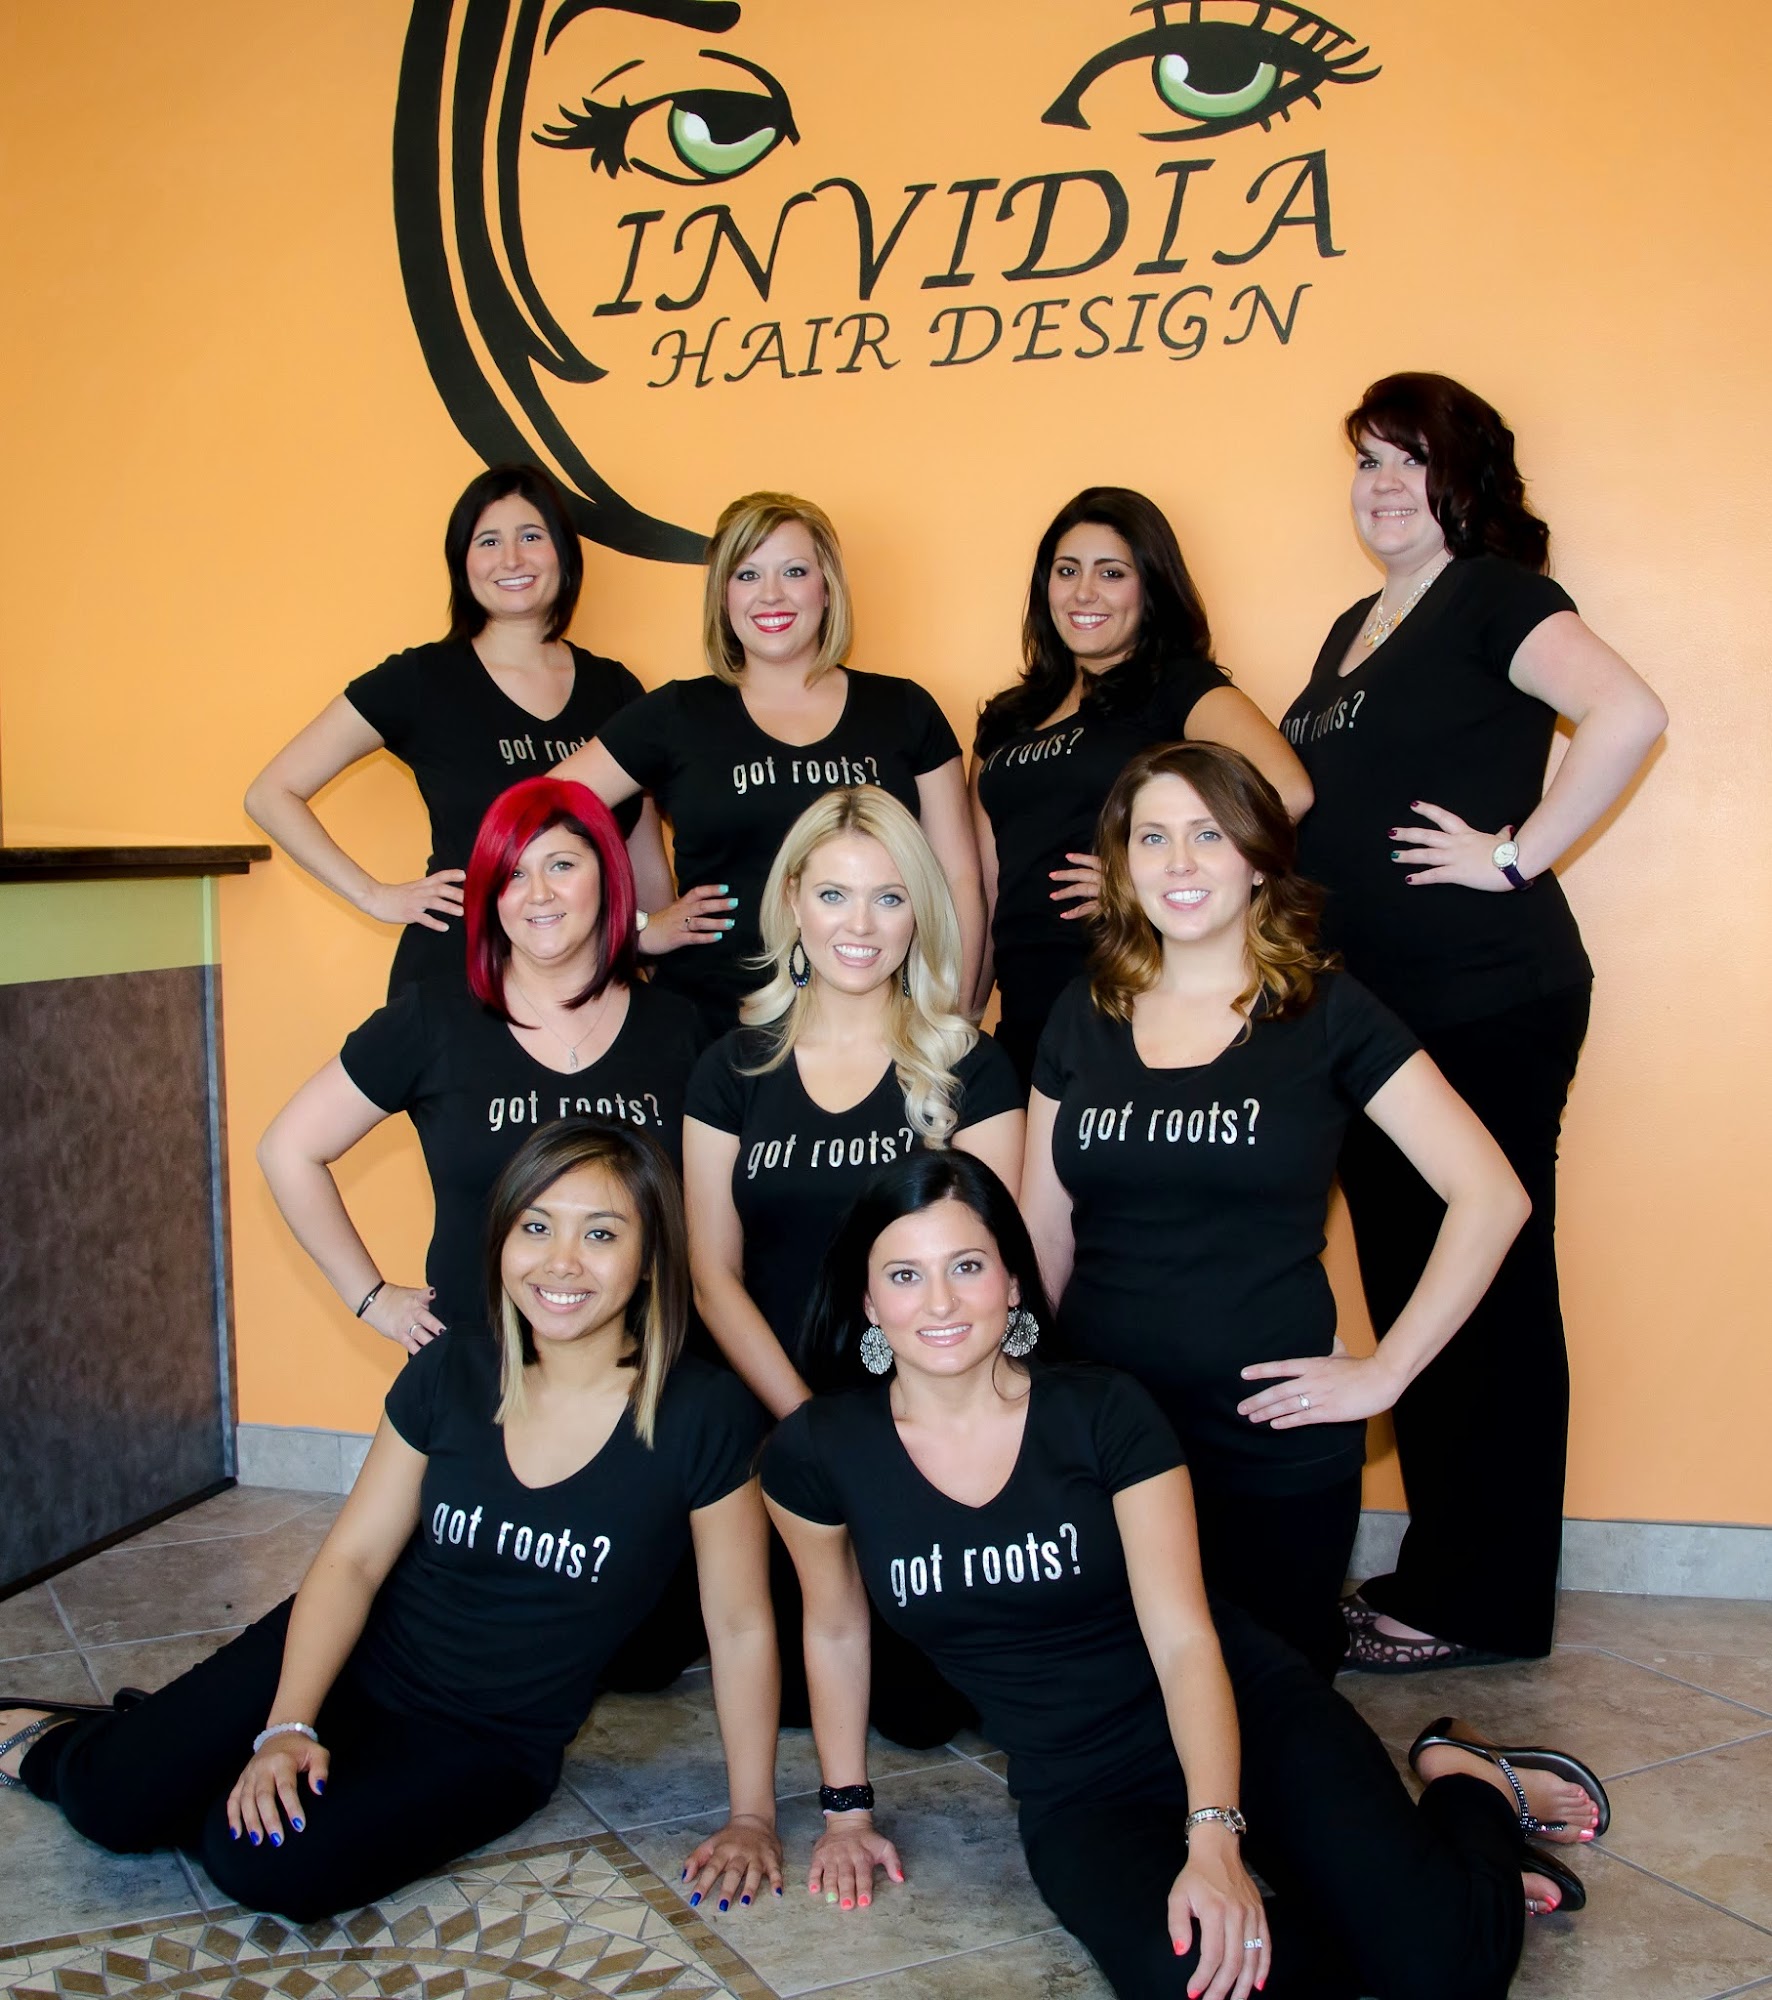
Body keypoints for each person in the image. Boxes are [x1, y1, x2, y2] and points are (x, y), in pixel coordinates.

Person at [761, 1151, 1608, 2000]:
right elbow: (833, 1628)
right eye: (905, 1275)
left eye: (968, 1266)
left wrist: (1214, 1837)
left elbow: (1182, 1637)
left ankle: (1468, 1791)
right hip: (1083, 1788)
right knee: (1192, 1984)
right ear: (867, 1300)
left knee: (1449, 1974)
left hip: (1245, 1717)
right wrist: (847, 1811)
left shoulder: (1102, 1413)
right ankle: (1418, 1905)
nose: (940, 1302)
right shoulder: (819, 1453)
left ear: (1013, 1283)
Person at [0, 1121, 782, 1924]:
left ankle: (174, 1747)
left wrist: (752, 1816)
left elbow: (739, 1624)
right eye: (536, 1226)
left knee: (260, 1860)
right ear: (502, 1238)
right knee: (112, 1800)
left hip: (486, 1740)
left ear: (651, 1258)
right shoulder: (450, 1371)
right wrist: (288, 1724)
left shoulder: (704, 1415)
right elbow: (354, 1563)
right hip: (356, 1654)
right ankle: (61, 1738)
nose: (561, 1262)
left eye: (602, 1234)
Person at [1280, 373, 1668, 1669]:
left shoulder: (1493, 594)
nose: (1383, 484)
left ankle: (1481, 1602)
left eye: (1411, 459)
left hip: (1484, 996)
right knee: (1415, 1287)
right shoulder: (1354, 626)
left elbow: (1629, 712)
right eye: (1367, 461)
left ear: (1465, 480)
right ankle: (1444, 1571)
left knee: (1485, 1290)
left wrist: (1513, 855)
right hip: (1375, 1019)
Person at [1018, 742, 1528, 1678]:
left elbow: (1493, 1195)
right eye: (1153, 838)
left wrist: (1386, 1373)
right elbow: (1042, 1230)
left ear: (1257, 857)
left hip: (1271, 1437)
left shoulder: (1326, 1009)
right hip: (1103, 1433)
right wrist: (1019, 1387)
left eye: (1209, 835)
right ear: (1123, 863)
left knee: (1276, 1710)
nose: (1179, 862)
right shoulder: (1082, 1013)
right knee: (1125, 1709)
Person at [683, 785, 1022, 1745]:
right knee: (782, 1691)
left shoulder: (973, 1069)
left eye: (888, 897)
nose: (860, 926)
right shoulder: (732, 1068)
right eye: (834, 895)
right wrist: (808, 1422)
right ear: (793, 901)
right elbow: (712, 1274)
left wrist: (895, 1439)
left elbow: (994, 1275)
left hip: (927, 1422)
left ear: (920, 912)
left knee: (921, 1713)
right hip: (779, 1420)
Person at [259, 776, 703, 1350]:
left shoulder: (680, 1028)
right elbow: (287, 1150)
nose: (538, 893)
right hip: (476, 1365)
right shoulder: (432, 1019)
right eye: (513, 874)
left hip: (643, 1366)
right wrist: (372, 1299)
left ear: (608, 876)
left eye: (561, 865)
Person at [243, 463, 712, 994]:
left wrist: (651, 958)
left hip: (588, 982)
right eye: (488, 541)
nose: (511, 559)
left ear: (564, 553)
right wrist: (374, 896)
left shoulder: (617, 688)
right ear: (461, 563)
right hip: (458, 979)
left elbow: (642, 857)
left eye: (531, 537)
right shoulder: (421, 680)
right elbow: (271, 794)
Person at [555, 493, 984, 1036]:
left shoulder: (904, 710)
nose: (771, 594)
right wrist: (635, 930)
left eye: (794, 571)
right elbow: (534, 819)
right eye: (747, 574)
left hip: (878, 1034)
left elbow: (957, 879)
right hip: (712, 1029)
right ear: (723, 595)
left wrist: (949, 1019)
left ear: (827, 588)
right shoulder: (675, 715)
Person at [970, 488, 1311, 1085]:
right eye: (1067, 571)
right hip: (1025, 1003)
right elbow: (986, 885)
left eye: (1112, 573)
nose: (1084, 592)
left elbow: (1287, 791)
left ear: (1150, 587)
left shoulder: (1174, 686)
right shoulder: (1007, 719)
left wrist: (1142, 879)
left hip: (1132, 988)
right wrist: (966, 1012)